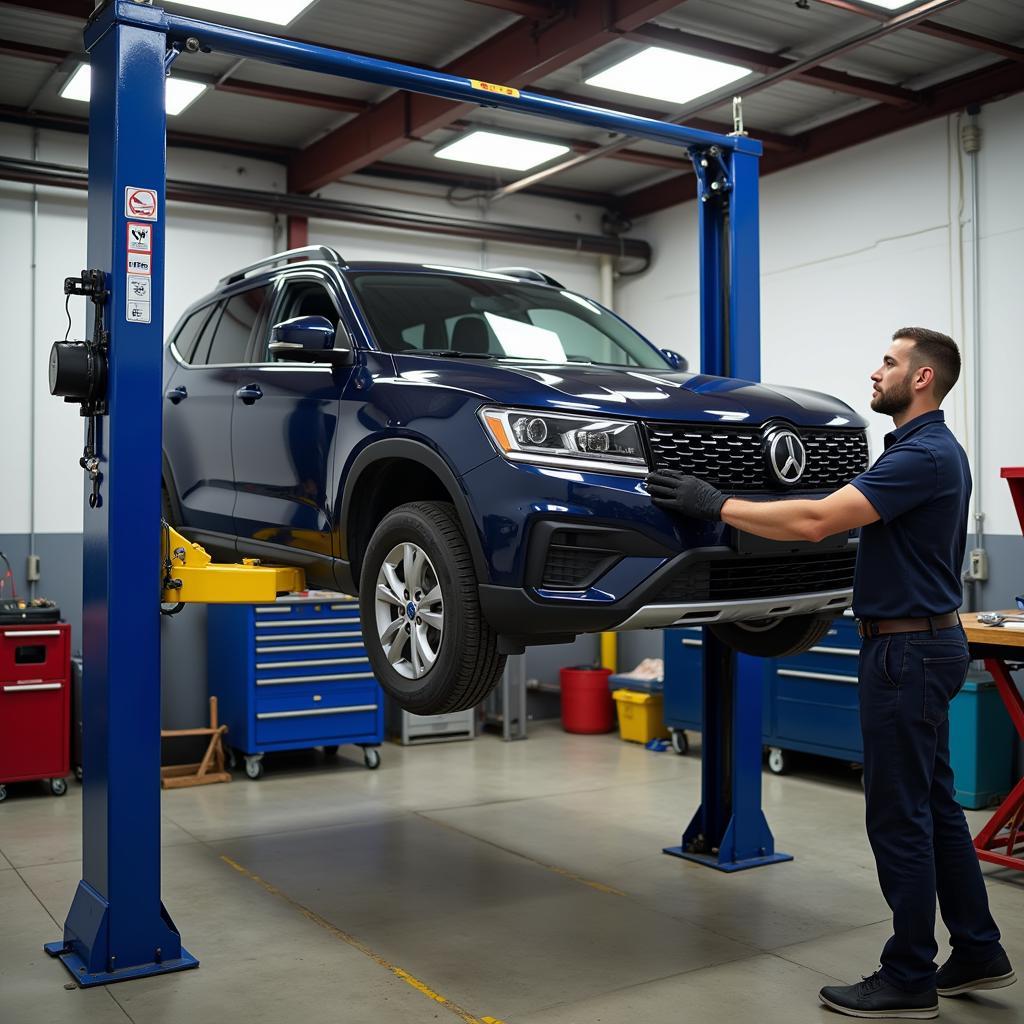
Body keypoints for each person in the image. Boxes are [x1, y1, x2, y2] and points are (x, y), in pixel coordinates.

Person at [646, 328, 1014, 1020]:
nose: (875, 372)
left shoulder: (925, 455)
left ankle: (908, 975)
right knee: (934, 811)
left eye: (890, 362)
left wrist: (713, 502)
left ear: (924, 378)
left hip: (905, 654)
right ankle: (978, 949)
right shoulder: (915, 452)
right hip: (921, 646)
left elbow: (816, 520)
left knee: (899, 819)